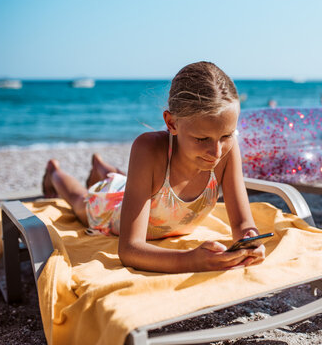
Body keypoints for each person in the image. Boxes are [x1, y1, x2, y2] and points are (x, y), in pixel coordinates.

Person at [42, 61, 265, 273]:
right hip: (113, 209)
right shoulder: (148, 148)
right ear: (171, 123)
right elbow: (129, 249)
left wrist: (250, 241)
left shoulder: (227, 150)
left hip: (145, 193)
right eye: (201, 139)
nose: (216, 153)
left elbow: (242, 223)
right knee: (82, 202)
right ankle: (54, 172)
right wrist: (190, 260)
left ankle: (100, 167)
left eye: (226, 135)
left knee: (124, 181)